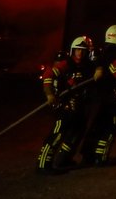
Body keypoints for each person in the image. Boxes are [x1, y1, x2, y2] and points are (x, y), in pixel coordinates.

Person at [36, 35, 96, 175]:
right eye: (77, 50)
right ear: (72, 50)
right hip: (65, 107)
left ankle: (64, 160)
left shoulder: (89, 67)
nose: (80, 53)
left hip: (80, 107)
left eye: (83, 50)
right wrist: (50, 94)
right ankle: (43, 164)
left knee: (76, 135)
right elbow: (48, 75)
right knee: (57, 135)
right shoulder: (66, 65)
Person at [82, 24, 116, 166]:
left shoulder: (105, 53)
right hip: (112, 100)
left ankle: (88, 156)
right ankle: (101, 158)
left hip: (102, 99)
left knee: (98, 126)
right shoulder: (114, 55)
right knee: (110, 128)